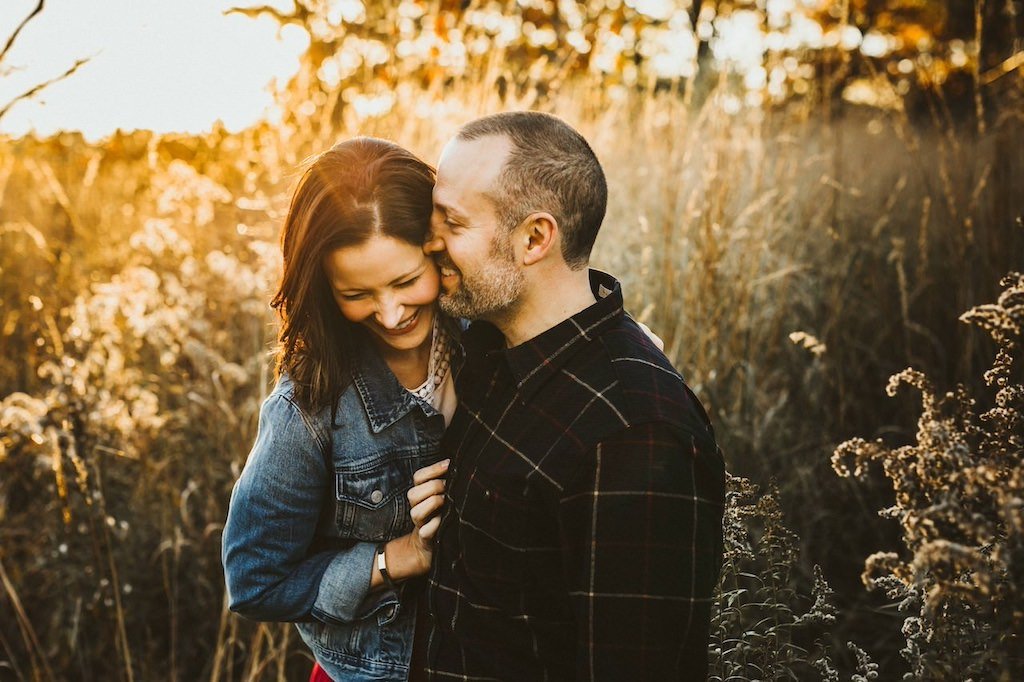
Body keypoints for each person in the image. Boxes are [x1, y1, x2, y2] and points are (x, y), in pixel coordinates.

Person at [411, 111, 726, 680]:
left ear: (534, 238)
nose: (428, 240)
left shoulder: (634, 437)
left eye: (452, 222)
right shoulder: (484, 350)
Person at [221, 137, 458, 682]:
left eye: (405, 281)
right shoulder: (307, 408)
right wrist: (394, 557)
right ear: (325, 288)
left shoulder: (487, 340)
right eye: (358, 293)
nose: (392, 312)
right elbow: (255, 582)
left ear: (438, 247)